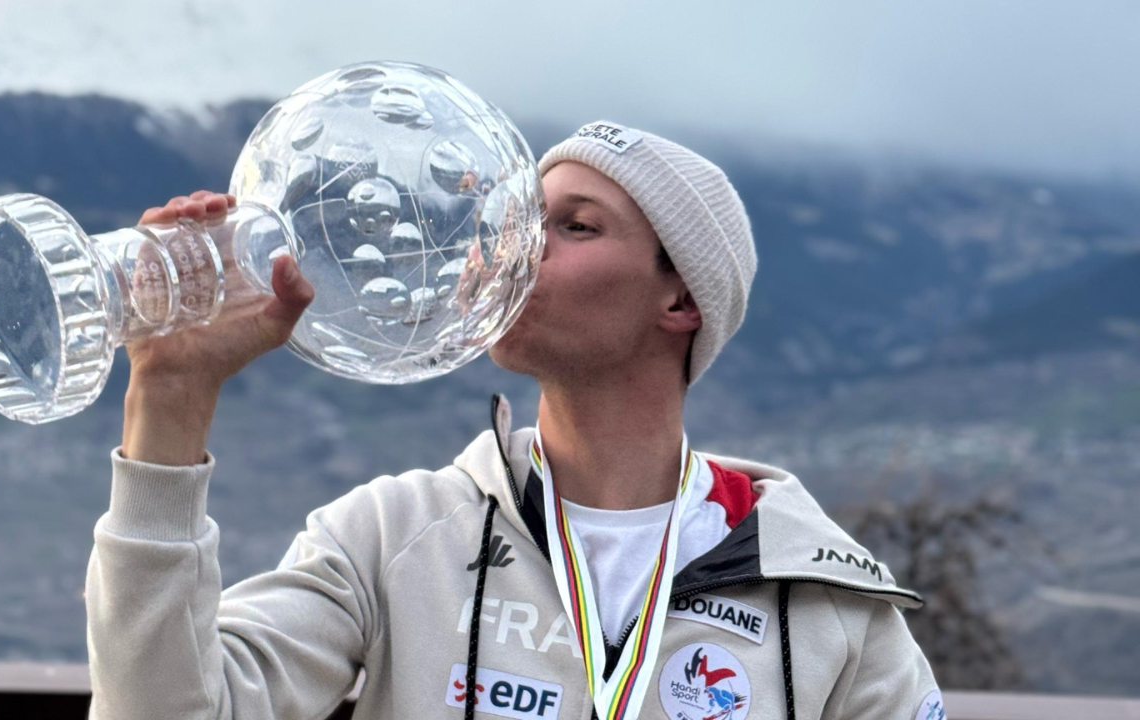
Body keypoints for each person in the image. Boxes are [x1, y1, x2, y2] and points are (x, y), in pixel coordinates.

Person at [86, 121, 944, 720]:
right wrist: (168, 397)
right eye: (522, 219)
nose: (517, 246)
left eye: (573, 226)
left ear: (681, 296)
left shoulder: (826, 599)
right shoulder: (392, 539)